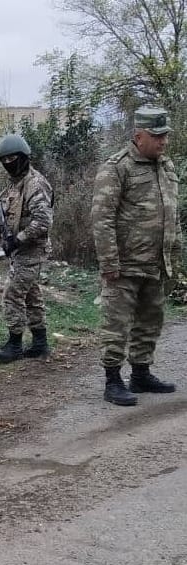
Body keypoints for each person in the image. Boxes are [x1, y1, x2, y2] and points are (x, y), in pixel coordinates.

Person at [91, 104, 182, 407]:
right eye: (157, 136)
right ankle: (112, 381)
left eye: (165, 135)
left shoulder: (166, 167)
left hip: (157, 263)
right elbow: (102, 217)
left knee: (150, 321)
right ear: (138, 136)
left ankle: (141, 374)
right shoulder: (117, 167)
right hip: (125, 265)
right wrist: (108, 262)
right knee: (116, 324)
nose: (163, 141)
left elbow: (173, 214)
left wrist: (175, 252)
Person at [0, 134, 54, 363]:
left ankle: (14, 344)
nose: (9, 163)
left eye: (13, 158)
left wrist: (19, 239)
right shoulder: (16, 184)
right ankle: (40, 343)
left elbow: (43, 221)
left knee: (13, 294)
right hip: (20, 252)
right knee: (32, 296)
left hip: (31, 250)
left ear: (24, 157)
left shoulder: (35, 184)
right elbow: (10, 207)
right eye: (4, 160)